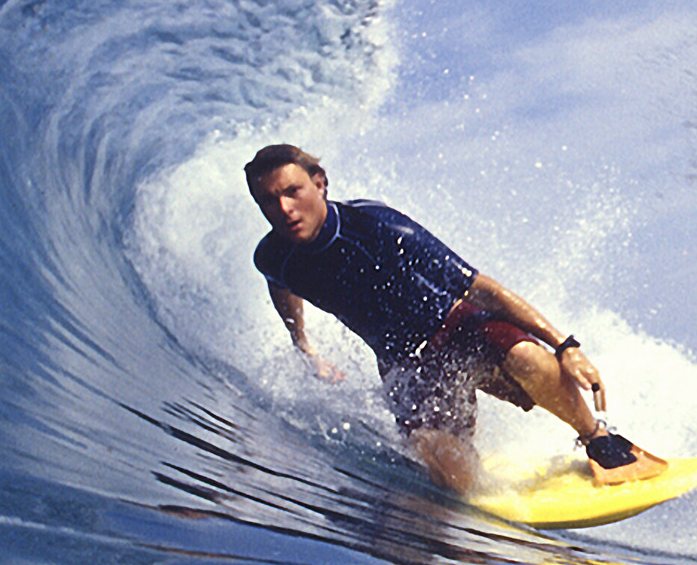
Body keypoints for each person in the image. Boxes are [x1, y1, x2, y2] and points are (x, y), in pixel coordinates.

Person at [245, 143, 670, 493]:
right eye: (268, 200)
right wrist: (304, 345)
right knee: (443, 464)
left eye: (293, 191)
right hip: (405, 366)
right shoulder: (274, 257)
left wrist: (566, 346)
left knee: (528, 357)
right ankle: (478, 499)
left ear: (319, 183)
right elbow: (280, 284)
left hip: (458, 327)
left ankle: (599, 439)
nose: (283, 208)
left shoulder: (379, 227)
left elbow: (482, 289)